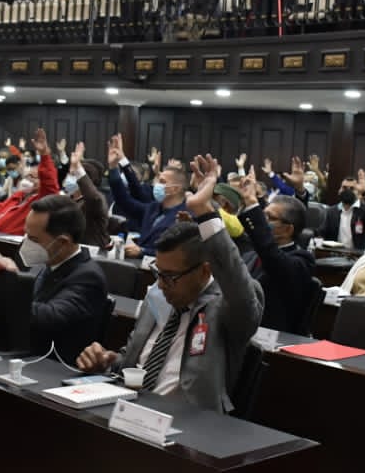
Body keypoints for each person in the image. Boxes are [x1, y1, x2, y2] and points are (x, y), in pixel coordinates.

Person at [77, 155, 265, 412]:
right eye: (159, 273)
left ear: (204, 271)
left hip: (188, 423)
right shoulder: (158, 296)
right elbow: (131, 363)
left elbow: (236, 281)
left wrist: (204, 211)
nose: (161, 284)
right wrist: (108, 361)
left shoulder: (225, 307)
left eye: (170, 277)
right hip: (131, 408)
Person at [0, 194, 111, 361]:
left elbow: (50, 317)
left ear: (63, 242)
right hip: (20, 350)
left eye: (33, 239)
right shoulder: (44, 261)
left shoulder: (89, 277)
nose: (26, 244)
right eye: (26, 235)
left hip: (50, 363)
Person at [234, 169, 316, 334]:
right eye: (262, 216)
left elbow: (272, 256)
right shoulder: (251, 254)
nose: (264, 222)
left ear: (287, 229)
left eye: (269, 218)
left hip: (272, 337)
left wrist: (252, 204)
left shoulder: (302, 261)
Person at [106, 135, 187, 257]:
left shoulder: (185, 216)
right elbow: (123, 200)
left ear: (175, 188)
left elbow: (181, 253)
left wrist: (143, 251)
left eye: (162, 182)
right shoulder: (152, 208)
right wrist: (113, 168)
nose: (157, 185)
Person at [0, 128, 59, 235]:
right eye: (29, 177)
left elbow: (50, 186)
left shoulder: (41, 201)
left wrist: (44, 154)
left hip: (7, 241)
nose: (30, 180)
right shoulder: (19, 195)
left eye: (34, 178)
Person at [64, 142, 110, 251]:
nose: (68, 178)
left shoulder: (96, 200)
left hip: (91, 252)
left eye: (73, 175)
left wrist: (78, 169)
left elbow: (94, 198)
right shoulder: (69, 198)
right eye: (69, 174)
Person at [319, 171, 365, 251]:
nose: (347, 191)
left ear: (358, 192)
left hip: (357, 255)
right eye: (344, 188)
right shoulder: (331, 211)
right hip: (334, 253)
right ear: (339, 190)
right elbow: (321, 233)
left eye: (352, 189)